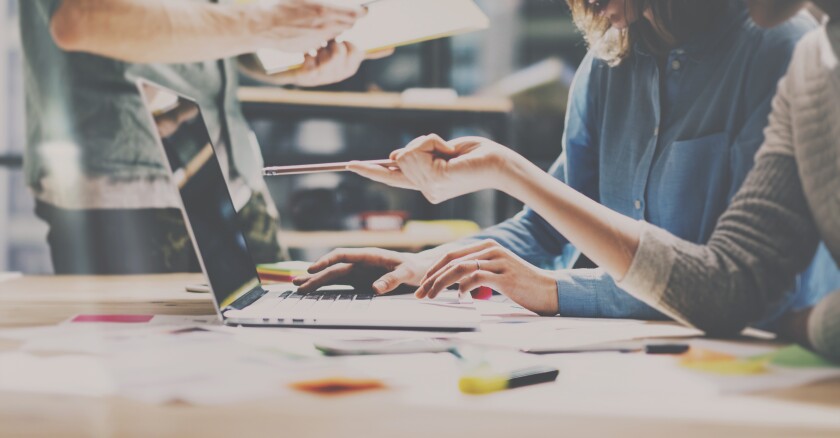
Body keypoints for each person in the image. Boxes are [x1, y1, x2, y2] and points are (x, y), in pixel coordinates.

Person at [314, 0, 840, 361]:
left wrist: (554, 290)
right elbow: (547, 232)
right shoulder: (611, 59)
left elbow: (739, 286)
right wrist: (425, 264)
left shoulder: (787, 51)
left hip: (761, 357)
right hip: (653, 359)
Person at [21, 0, 390, 274]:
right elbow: (82, 20)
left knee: (273, 353)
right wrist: (267, 22)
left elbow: (209, 32)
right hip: (128, 192)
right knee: (151, 372)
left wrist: (294, 62)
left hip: (236, 179)